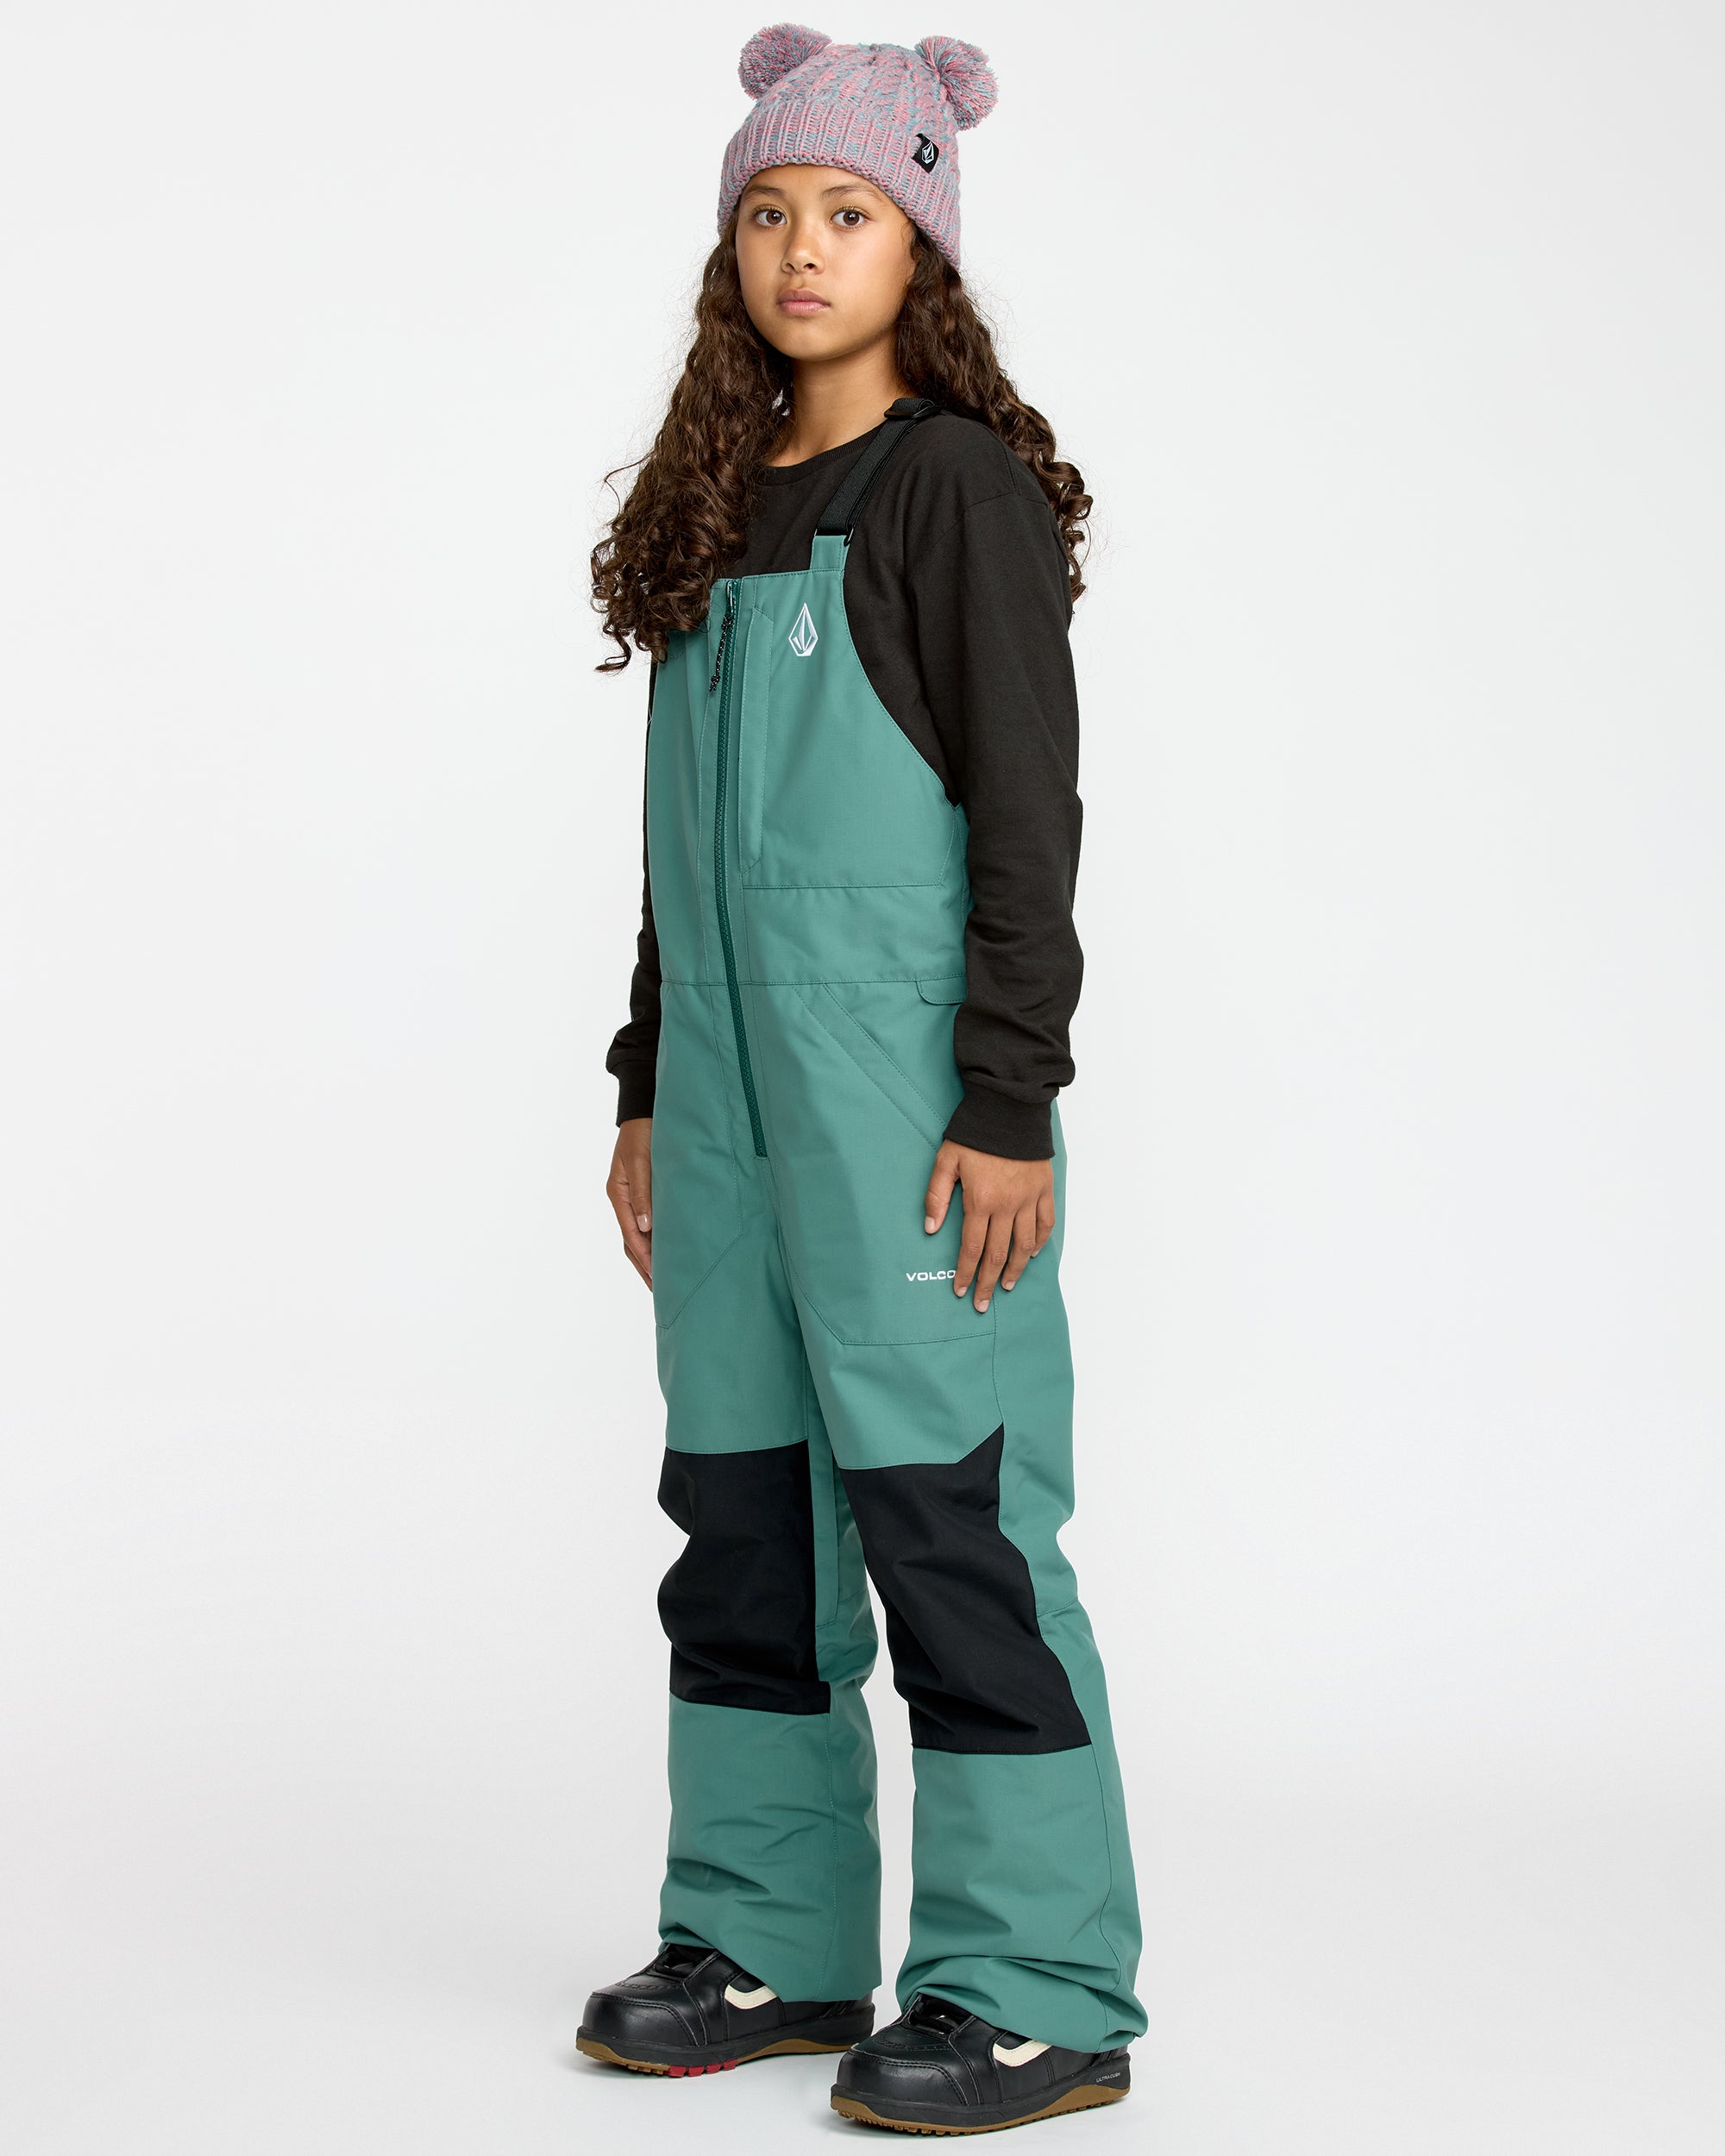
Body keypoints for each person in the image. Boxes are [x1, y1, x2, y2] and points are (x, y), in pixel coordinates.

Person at [580, 26, 1145, 2135]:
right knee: (741, 1528)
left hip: (912, 1122)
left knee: (951, 1524)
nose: (801, 247)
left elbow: (1027, 818)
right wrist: (645, 1081)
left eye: (847, 210)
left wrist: (1008, 1098)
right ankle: (769, 1938)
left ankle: (1033, 1983)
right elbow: (679, 862)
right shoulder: (712, 516)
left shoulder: (948, 491)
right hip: (728, 1122)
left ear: (923, 244)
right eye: (767, 211)